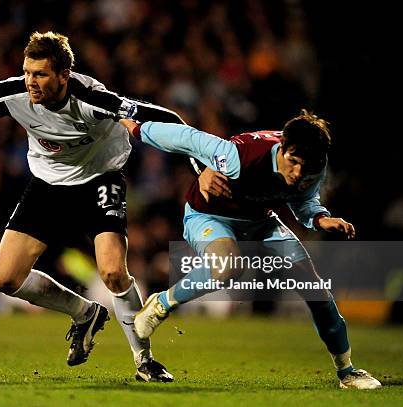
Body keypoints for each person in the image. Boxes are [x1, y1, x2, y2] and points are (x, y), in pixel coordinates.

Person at [0, 31, 188, 382]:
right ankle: (84, 313)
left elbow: (167, 118)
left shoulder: (93, 99)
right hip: (48, 184)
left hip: (100, 177)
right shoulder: (15, 93)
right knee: (4, 277)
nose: (30, 83)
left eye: (40, 75)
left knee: (112, 271)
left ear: (64, 75)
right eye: (27, 72)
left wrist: (201, 165)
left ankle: (144, 361)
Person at [118, 111, 382, 389]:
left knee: (316, 290)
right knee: (228, 266)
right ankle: (161, 304)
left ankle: (347, 372)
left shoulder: (314, 162)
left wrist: (320, 218)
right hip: (209, 217)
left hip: (262, 222)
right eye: (293, 163)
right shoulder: (241, 155)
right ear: (282, 148)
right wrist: (135, 128)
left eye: (306, 168)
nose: (298, 174)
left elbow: (304, 201)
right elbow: (186, 138)